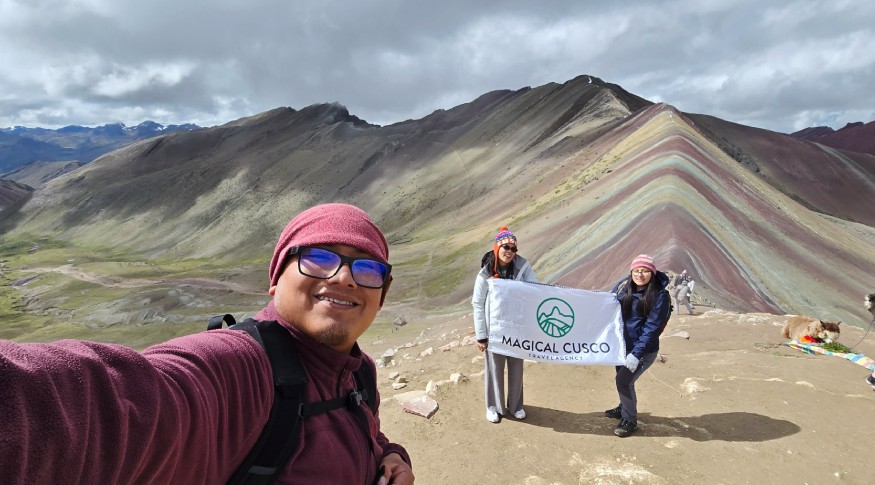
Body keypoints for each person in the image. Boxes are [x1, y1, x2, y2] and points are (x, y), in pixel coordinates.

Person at [0, 203, 414, 485]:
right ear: (275, 278)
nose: (344, 277)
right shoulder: (238, 369)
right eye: (320, 258)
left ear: (383, 291)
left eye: (367, 268)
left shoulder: (360, 371)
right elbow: (105, 404)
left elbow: (365, 433)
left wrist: (390, 455)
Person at [471, 226, 539, 423]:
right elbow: (477, 303)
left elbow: (535, 288)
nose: (509, 251)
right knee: (494, 369)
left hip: (517, 328)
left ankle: (516, 405)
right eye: (505, 247)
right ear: (497, 248)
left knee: (516, 367)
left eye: (513, 248)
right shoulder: (485, 273)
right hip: (495, 330)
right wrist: (481, 336)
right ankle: (494, 407)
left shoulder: (523, 267)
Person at [604, 254, 672, 437]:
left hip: (643, 349)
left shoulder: (660, 296)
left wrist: (636, 354)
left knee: (623, 381)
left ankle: (630, 420)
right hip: (622, 345)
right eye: (637, 270)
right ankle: (623, 407)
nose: (640, 274)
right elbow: (608, 303)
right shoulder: (624, 287)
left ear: (652, 273)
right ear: (631, 271)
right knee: (622, 379)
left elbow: (652, 329)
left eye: (645, 271)